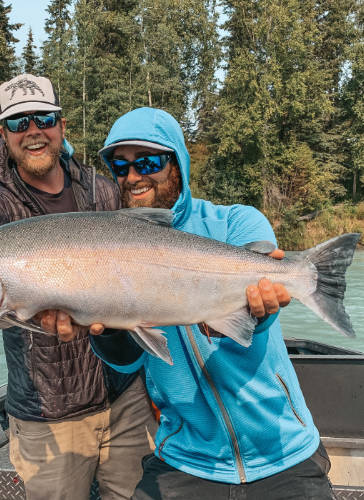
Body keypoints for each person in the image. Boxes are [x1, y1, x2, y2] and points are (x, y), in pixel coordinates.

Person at [85, 107, 334, 499]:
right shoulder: (111, 247)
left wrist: (259, 312)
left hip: (283, 450)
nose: (133, 176)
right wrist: (104, 329)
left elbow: (255, 316)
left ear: (178, 164)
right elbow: (127, 361)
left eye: (148, 161)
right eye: (121, 166)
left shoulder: (236, 223)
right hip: (185, 458)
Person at [0, 74, 158, 500]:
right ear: (4, 136)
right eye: (19, 123)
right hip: (48, 417)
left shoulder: (103, 190)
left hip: (126, 399)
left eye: (43, 118)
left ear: (61, 126)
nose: (33, 131)